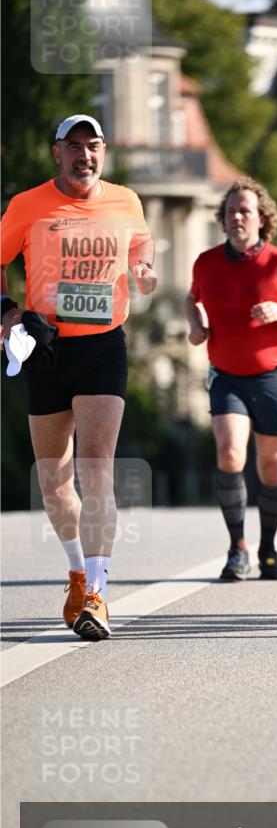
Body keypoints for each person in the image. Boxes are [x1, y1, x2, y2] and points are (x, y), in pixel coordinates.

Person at [0, 114, 157, 639]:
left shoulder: (125, 201)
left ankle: (96, 592)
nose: (84, 156)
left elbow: (140, 243)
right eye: (74, 147)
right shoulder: (27, 206)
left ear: (104, 152)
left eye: (93, 146)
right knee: (52, 482)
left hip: (102, 347)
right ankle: (75, 572)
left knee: (96, 469)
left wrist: (142, 267)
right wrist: (7, 312)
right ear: (56, 153)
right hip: (46, 348)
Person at [186, 177, 277, 580]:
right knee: (229, 454)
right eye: (231, 211)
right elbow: (193, 299)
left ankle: (269, 548)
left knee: (272, 466)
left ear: (262, 218)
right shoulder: (206, 262)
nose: (237, 217)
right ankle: (238, 548)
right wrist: (196, 325)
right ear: (222, 220)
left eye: (245, 211)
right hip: (227, 377)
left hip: (273, 377)